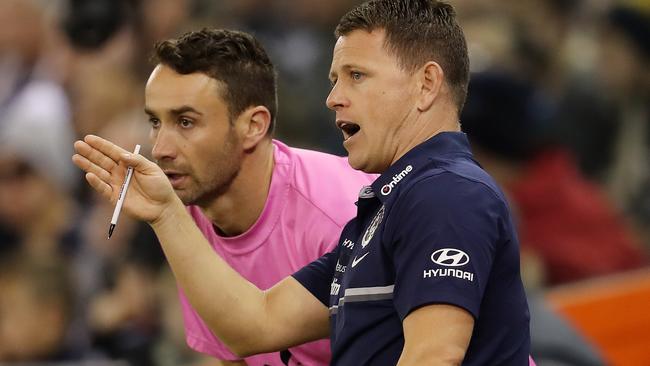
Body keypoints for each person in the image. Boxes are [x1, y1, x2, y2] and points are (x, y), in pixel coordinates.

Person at [73, 0, 531, 364]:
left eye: (356, 76)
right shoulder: (383, 211)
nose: (333, 98)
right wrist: (166, 213)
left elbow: (434, 355)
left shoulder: (447, 192)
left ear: (427, 84)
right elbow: (256, 325)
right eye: (334, 79)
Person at [81, 28, 375, 366]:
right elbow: (230, 354)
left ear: (253, 126)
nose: (160, 149)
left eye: (186, 122)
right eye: (155, 122)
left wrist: (166, 216)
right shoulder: (190, 210)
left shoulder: (343, 215)